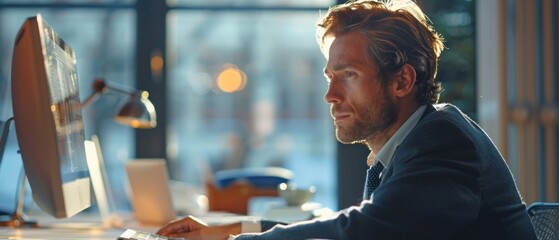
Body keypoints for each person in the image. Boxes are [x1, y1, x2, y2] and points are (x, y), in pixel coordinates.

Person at [157, 0, 537, 239]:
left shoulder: (443, 141)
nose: (331, 96)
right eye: (330, 78)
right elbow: (357, 223)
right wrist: (234, 229)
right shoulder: (414, 141)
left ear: (402, 80)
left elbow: (366, 228)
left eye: (349, 76)